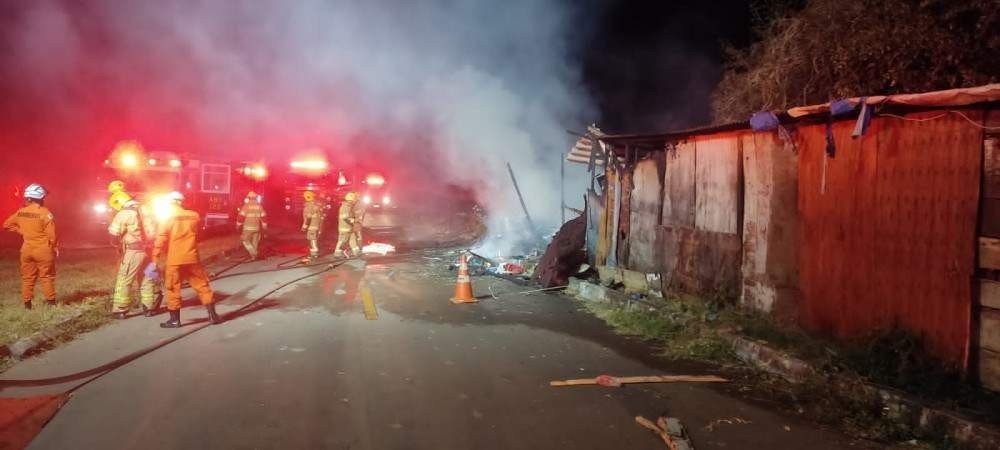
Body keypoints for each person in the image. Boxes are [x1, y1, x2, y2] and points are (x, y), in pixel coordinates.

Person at [152, 191, 221, 328]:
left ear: (170, 202)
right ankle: (213, 315)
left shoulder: (167, 216)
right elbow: (199, 235)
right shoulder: (194, 215)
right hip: (192, 257)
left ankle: (174, 320)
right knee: (202, 285)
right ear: (181, 202)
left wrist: (155, 258)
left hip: (175, 259)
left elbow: (161, 238)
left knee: (172, 288)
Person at [3, 184, 57, 309]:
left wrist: (22, 231)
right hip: (43, 249)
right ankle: (52, 304)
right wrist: (54, 247)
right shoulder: (45, 213)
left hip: (26, 250)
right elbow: (52, 235)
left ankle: (27, 306)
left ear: (28, 198)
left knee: (27, 278)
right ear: (40, 198)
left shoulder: (21, 212)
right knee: (47, 276)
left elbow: (6, 224)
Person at [107, 191, 159, 319]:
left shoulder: (124, 214)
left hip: (133, 252)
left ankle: (120, 309)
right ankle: (149, 308)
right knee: (148, 278)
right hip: (150, 251)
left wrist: (118, 243)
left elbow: (113, 235)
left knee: (124, 280)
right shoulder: (146, 210)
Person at [237, 191, 267, 260]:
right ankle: (253, 257)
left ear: (249, 198)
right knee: (255, 242)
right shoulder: (259, 206)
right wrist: (264, 227)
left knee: (245, 240)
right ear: (256, 198)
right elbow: (264, 218)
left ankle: (255, 254)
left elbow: (241, 217)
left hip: (247, 229)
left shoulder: (246, 206)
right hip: (257, 228)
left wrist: (238, 225)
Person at [333, 192, 361, 258]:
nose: (355, 202)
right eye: (355, 200)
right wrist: (353, 221)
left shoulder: (350, 207)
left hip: (349, 228)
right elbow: (345, 217)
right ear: (351, 200)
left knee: (353, 239)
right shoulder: (345, 207)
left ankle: (356, 252)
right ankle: (337, 253)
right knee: (342, 241)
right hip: (344, 228)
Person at [301, 191, 323, 260]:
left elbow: (308, 218)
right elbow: (321, 217)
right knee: (313, 240)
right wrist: (320, 228)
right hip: (316, 226)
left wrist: (304, 227)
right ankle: (313, 254)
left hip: (311, 227)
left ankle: (314, 254)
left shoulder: (309, 207)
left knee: (312, 240)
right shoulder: (317, 206)